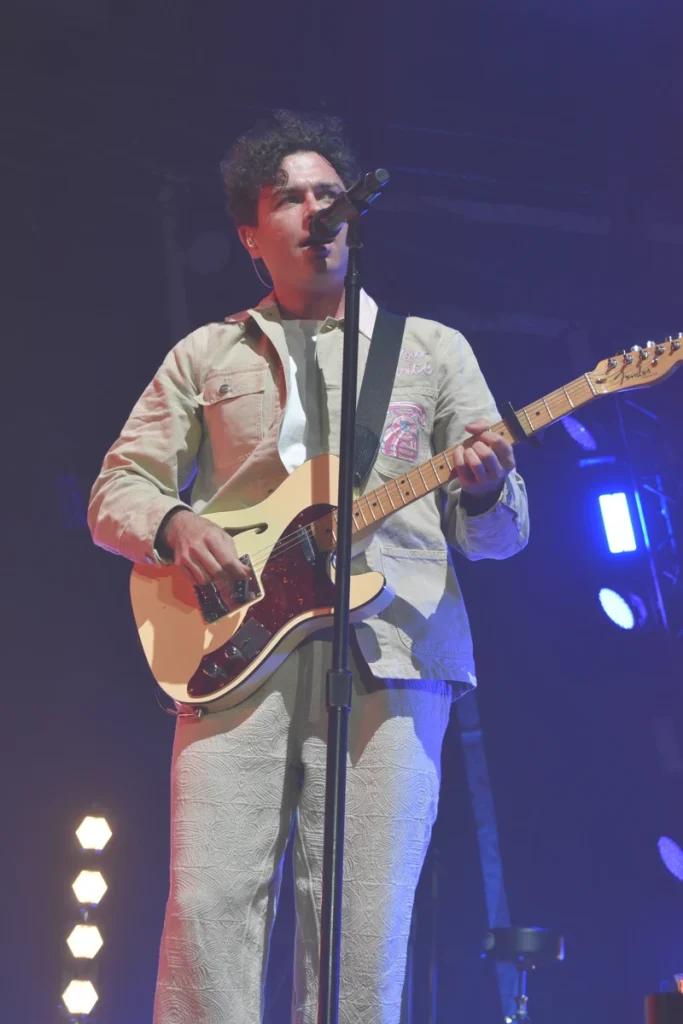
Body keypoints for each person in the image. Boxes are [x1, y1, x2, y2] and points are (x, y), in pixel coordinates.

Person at [88, 109, 529, 1024]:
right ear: (253, 236)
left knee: (366, 926)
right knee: (209, 905)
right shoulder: (207, 353)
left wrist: (485, 492)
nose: (314, 209)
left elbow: (497, 537)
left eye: (329, 195)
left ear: (354, 219)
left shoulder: (434, 352)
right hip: (233, 652)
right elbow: (116, 488)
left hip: (395, 655)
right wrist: (173, 523)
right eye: (288, 197)